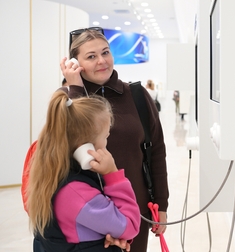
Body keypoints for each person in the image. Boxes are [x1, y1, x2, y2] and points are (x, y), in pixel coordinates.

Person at [61, 27, 169, 251]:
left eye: (105, 52)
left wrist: (161, 204)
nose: (102, 61)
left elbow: (156, 151)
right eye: (91, 56)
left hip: (133, 207)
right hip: (87, 212)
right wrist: (76, 89)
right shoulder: (68, 100)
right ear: (75, 62)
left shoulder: (137, 95)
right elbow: (72, 140)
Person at [27, 90, 141, 251]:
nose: (106, 144)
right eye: (105, 137)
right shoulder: (77, 192)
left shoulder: (54, 176)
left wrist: (113, 234)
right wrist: (113, 175)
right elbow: (130, 225)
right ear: (85, 148)